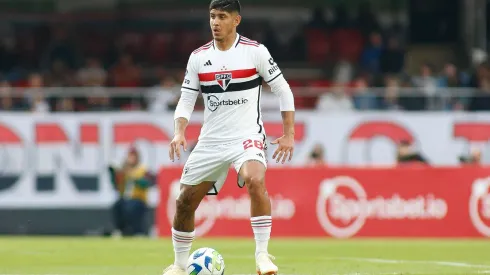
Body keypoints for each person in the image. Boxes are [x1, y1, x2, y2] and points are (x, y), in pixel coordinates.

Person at [163, 1, 295, 274]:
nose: (215, 22)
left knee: (255, 179)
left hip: (246, 136)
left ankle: (262, 257)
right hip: (211, 141)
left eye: (222, 17)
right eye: (212, 16)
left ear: (236, 20)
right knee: (184, 201)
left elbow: (283, 90)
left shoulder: (255, 52)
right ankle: (178, 265)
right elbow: (186, 100)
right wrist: (178, 132)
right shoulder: (198, 57)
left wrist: (288, 134)